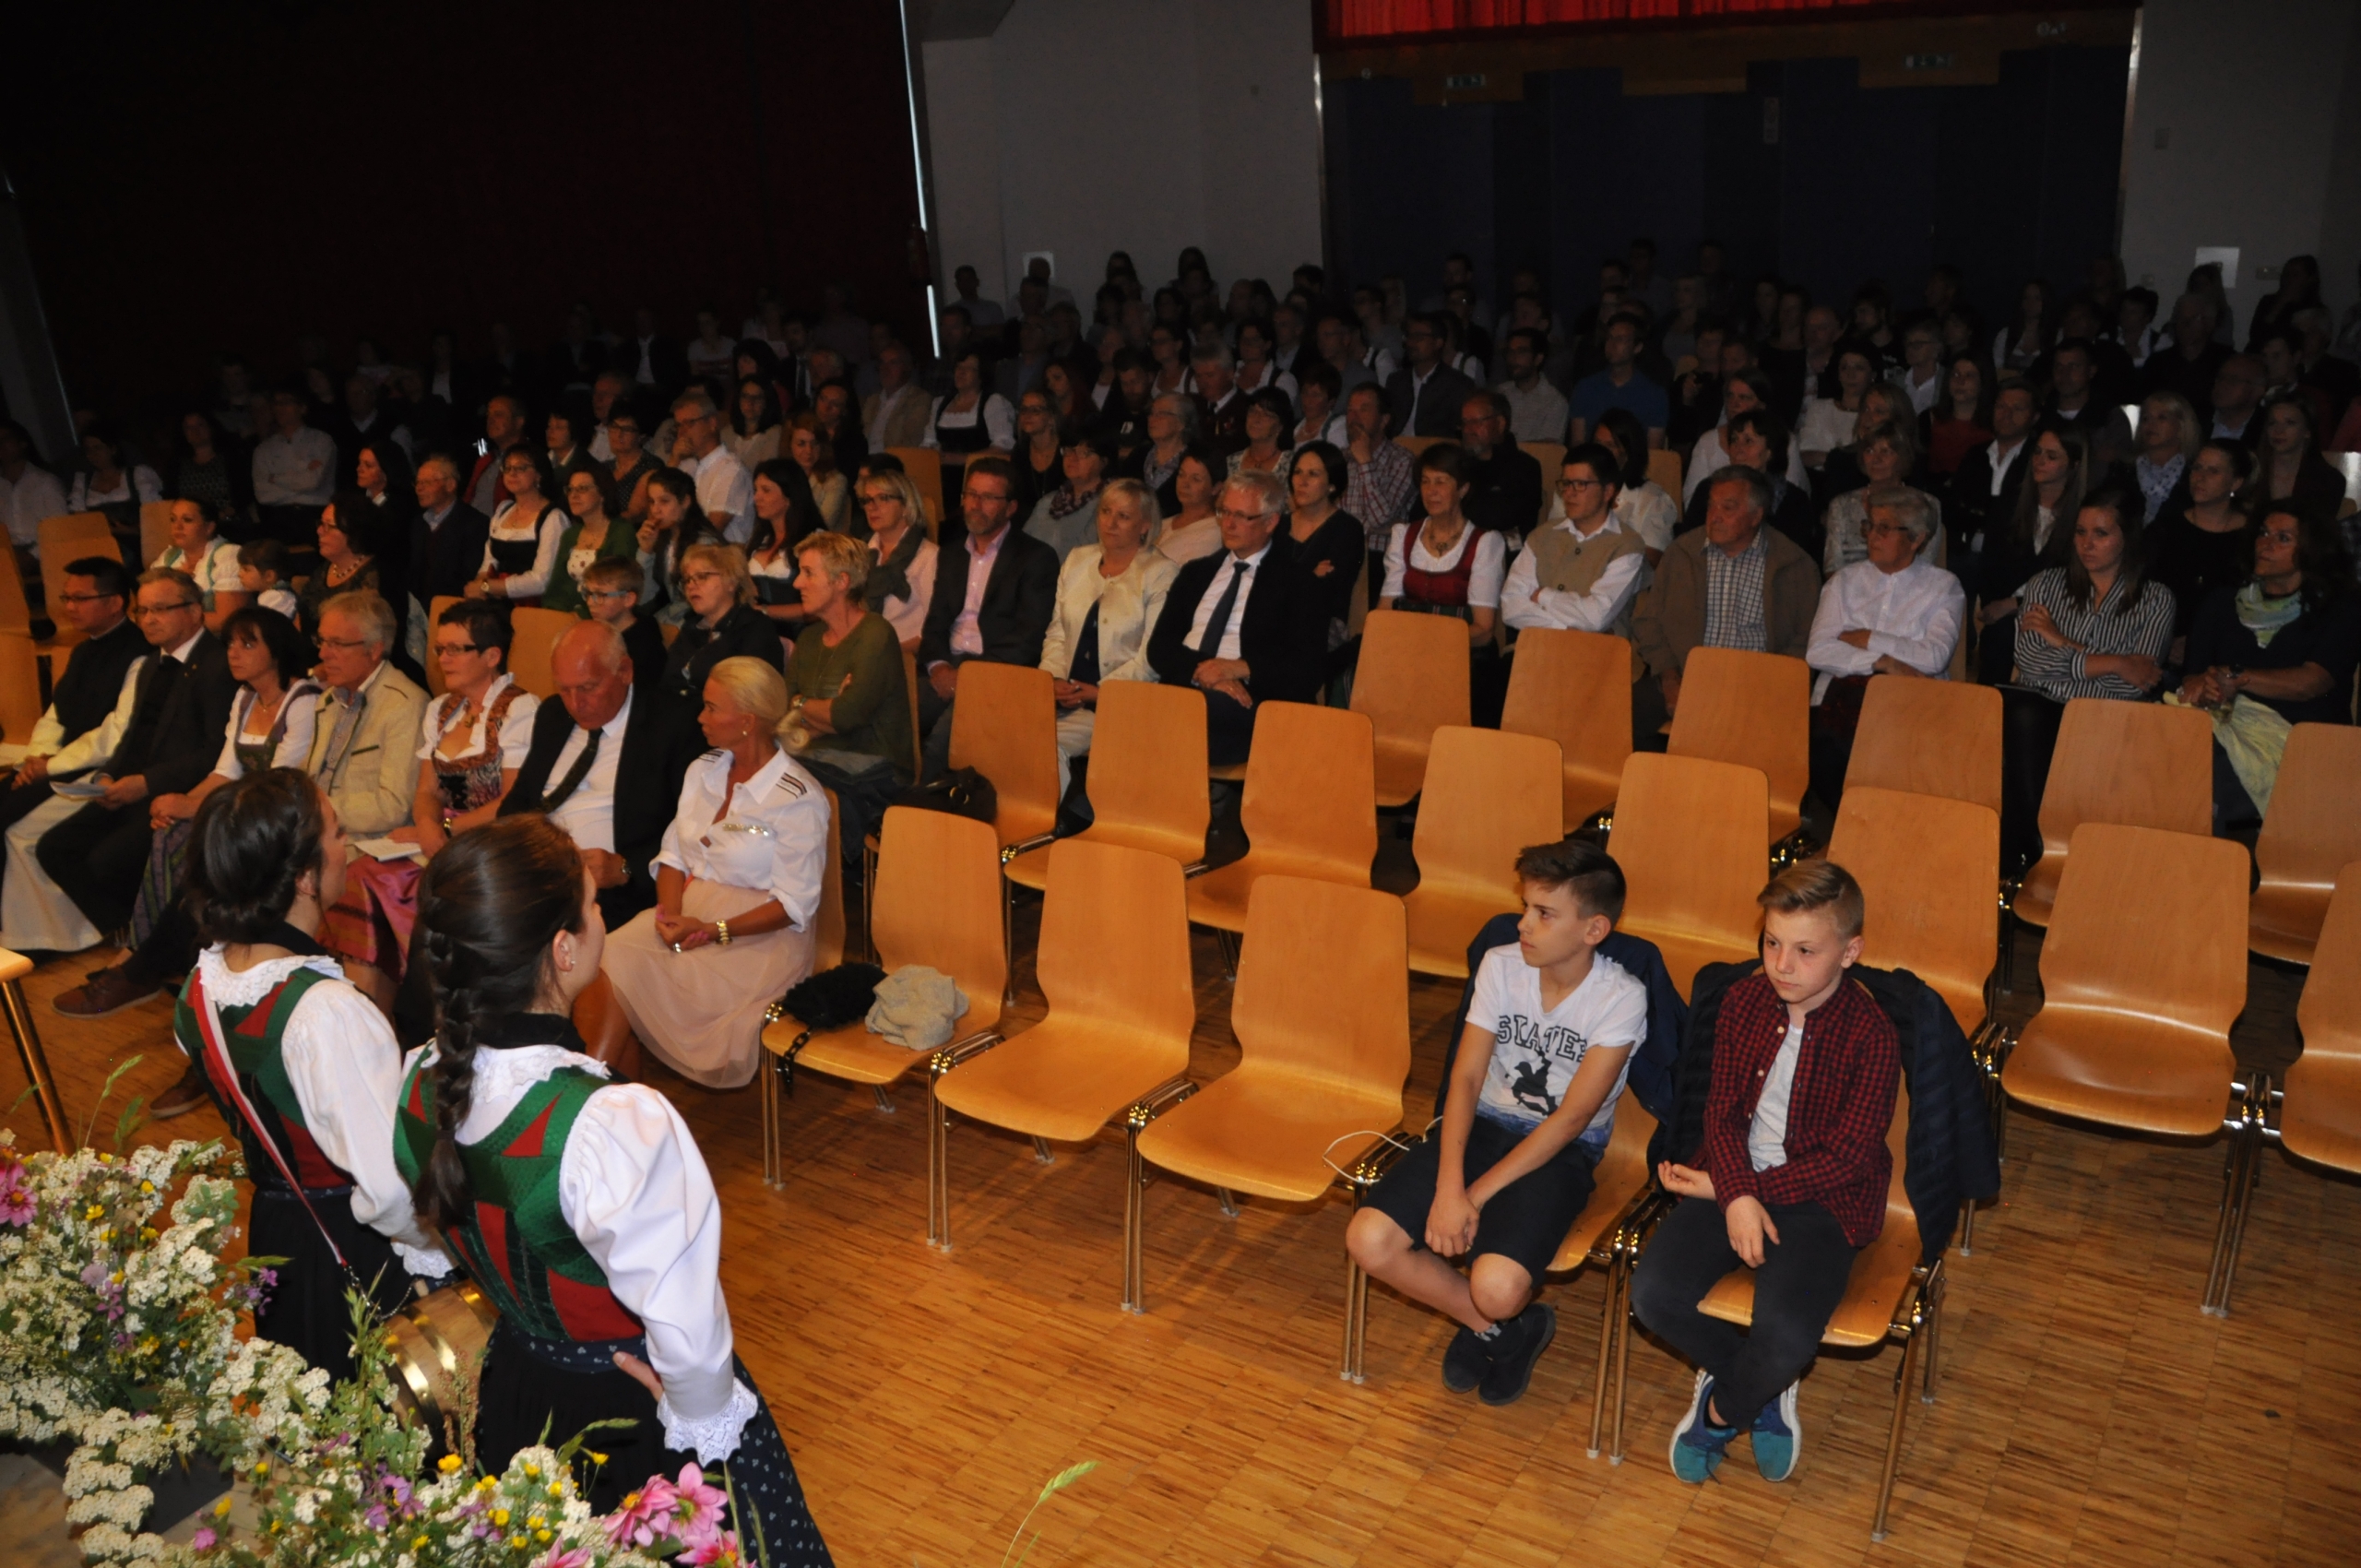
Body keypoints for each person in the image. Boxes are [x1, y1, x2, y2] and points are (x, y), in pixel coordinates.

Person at [394, 815, 835, 1559]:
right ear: (563, 949)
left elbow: (424, 1227)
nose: (604, 919)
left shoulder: (417, 1079)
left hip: (519, 1392)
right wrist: (695, 1419)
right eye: (594, 905)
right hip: (631, 1408)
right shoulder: (609, 1122)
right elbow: (685, 1324)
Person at [1346, 838, 1644, 1405]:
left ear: (1594, 930)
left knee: (1498, 1289)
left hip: (1560, 1150)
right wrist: (1448, 1187)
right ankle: (1502, 1333)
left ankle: (1495, 1317)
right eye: (1525, 907)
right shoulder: (1502, 964)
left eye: (1544, 913)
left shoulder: (1621, 997)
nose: (1524, 923)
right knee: (1369, 1239)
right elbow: (1463, 1079)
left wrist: (1471, 1199)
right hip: (1482, 1124)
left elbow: (1572, 1119)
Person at [173, 769, 447, 1378]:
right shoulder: (327, 1012)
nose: (347, 848)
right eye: (338, 833)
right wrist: (442, 1252)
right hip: (351, 1242)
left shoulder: (199, 987)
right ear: (302, 877)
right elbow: (391, 1189)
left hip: (276, 1233)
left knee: (308, 1396)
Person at [1635, 860, 1899, 1486]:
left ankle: (1725, 1408)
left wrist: (1740, 1193)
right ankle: (1763, 1387)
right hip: (1733, 1179)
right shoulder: (1743, 1000)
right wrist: (1735, 1194)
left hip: (1822, 1200)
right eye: (1772, 942)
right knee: (1654, 1296)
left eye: (1805, 951)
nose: (1781, 964)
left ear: (1850, 952)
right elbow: (1721, 1115)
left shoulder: (1873, 1036)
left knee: (1786, 1335)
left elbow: (1847, 1159)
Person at [604, 657, 827, 1090]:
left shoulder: (797, 798)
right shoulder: (703, 768)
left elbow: (793, 905)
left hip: (758, 939)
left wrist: (713, 930)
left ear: (747, 721)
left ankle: (599, 1098)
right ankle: (611, 1096)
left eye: (711, 708)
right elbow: (674, 856)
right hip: (690, 913)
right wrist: (670, 915)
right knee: (607, 955)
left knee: (621, 966)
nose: (700, 718)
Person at [6, 570, 234, 956]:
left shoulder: (216, 664)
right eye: (142, 610)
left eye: (160, 609)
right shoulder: (149, 664)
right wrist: (110, 774)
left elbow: (214, 751)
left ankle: (147, 949)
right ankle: (133, 938)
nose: (149, 619)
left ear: (195, 611)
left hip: (178, 790)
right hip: (130, 783)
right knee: (54, 849)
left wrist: (145, 782)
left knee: (105, 861)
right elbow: (129, 733)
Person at [324, 599, 537, 1003]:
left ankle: (419, 1002)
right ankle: (373, 1012)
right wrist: (425, 824)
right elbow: (426, 792)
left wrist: (445, 830)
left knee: (383, 881)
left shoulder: (520, 709)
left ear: (492, 656)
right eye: (440, 648)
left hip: (493, 839)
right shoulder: (442, 709)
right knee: (361, 873)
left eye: (456, 649)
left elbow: (512, 802)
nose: (443, 659)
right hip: (440, 834)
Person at [2003, 490, 2176, 869]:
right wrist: (2114, 661)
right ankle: (2033, 848)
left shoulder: (2155, 598)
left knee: (2037, 720)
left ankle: (2041, 855)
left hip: (2110, 715)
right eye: (2080, 532)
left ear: (2127, 537)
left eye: (2101, 533)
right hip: (2042, 705)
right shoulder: (2045, 584)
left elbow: (2136, 682)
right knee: (2023, 713)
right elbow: (2030, 661)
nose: (2086, 544)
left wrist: (2060, 640)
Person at [2179, 506, 2359, 830]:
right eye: (2263, 533)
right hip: (2222, 730)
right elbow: (2193, 674)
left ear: (2312, 550)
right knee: (2162, 754)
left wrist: (2237, 677)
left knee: (2201, 780)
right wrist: (2203, 686)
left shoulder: (2339, 609)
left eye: (2283, 538)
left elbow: (2311, 683)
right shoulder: (2221, 603)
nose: (2266, 543)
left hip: (2300, 744)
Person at [1145, 470, 1329, 766]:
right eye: (1225, 512)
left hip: (1250, 698)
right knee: (1131, 707)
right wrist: (1206, 674)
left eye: (1242, 516)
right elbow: (1160, 647)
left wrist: (1241, 668)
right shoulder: (1196, 573)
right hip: (1187, 687)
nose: (1228, 524)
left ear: (1270, 522)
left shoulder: (1298, 584)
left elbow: (1307, 670)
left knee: (1175, 724)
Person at [1634, 468, 1821, 746]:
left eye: (1728, 508)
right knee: (1615, 721)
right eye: (1711, 505)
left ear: (1756, 516)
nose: (1715, 516)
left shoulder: (1793, 565)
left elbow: (1806, 641)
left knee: (1775, 741)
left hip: (1758, 686)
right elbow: (1650, 623)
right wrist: (1670, 679)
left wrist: (1761, 687)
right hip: (1684, 676)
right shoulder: (1682, 553)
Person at [1805, 489, 1966, 810]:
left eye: (1885, 528)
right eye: (1870, 526)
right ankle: (1853, 820)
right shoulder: (1844, 582)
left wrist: (1869, 638)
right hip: (1840, 698)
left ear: (1916, 539)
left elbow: (1934, 657)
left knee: (1891, 749)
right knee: (1829, 749)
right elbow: (1818, 651)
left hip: (1911, 701)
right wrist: (1883, 662)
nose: (1872, 537)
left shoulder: (1943, 586)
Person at [0, 557, 147, 906]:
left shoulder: (140, 653)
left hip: (100, 767)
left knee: (14, 825)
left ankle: (34, 926)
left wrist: (49, 766)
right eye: (66, 598)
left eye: (80, 599)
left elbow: (114, 733)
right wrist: (36, 758)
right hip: (57, 761)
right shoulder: (83, 648)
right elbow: (57, 714)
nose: (69, 607)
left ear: (115, 602)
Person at [916, 456, 1059, 775]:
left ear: (1010, 507)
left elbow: (1029, 637)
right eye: (970, 494)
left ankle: (921, 802)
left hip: (996, 673)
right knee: (891, 717)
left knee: (942, 743)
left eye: (988, 497)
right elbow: (936, 622)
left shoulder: (1036, 557)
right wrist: (939, 667)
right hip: (946, 667)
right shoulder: (952, 553)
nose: (975, 505)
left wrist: (969, 676)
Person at [1039, 481, 1178, 798]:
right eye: (1105, 512)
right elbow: (1058, 632)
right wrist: (1052, 679)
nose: (1110, 523)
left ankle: (1046, 820)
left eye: (1123, 516)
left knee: (1045, 747)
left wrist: (1101, 692)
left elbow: (1152, 657)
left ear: (1145, 526)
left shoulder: (1161, 572)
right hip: (1063, 695)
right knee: (1005, 734)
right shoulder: (1077, 560)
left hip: (1120, 702)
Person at [785, 530, 915, 860]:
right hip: (820, 758)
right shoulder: (809, 639)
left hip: (877, 767)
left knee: (788, 781)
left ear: (842, 581)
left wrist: (803, 704)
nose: (797, 583)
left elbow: (846, 716)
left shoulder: (875, 634)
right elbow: (785, 716)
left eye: (808, 573)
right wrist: (820, 712)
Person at [1973, 421, 2088, 684]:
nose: (2040, 461)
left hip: (2060, 615)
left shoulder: (2083, 517)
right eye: (2037, 452)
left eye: (2052, 456)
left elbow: (2075, 582)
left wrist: (2017, 604)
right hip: (2005, 613)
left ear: (2074, 464)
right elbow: (1990, 567)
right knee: (2000, 635)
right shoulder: (2008, 505)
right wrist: (2002, 605)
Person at [1502, 444, 1651, 639]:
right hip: (1536, 649)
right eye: (1566, 483)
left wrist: (1543, 595)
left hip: (1598, 655)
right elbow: (1511, 606)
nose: (1569, 493)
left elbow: (1596, 617)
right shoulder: (1542, 536)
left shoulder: (1627, 545)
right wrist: (1565, 630)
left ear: (1608, 491)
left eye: (1580, 484)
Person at [657, 542, 786, 760]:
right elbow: (668, 683)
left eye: (702, 577)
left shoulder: (754, 628)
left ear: (731, 582)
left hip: (728, 737)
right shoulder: (691, 629)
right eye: (687, 579)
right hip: (680, 731)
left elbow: (750, 699)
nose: (692, 586)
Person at [1382, 444, 1508, 656]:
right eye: (1425, 481)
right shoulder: (1404, 536)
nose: (1431, 491)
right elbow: (1385, 611)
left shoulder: (1484, 543)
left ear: (1462, 489)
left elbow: (1483, 630)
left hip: (1462, 653)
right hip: (1407, 648)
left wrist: (1431, 643)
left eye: (1440, 482)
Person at [2147, 440, 2255, 655]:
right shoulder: (2165, 529)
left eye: (2213, 471)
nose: (2200, 477)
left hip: (2224, 648)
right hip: (2159, 642)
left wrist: (2200, 639)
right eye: (2197, 467)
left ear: (2235, 483)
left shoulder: (2251, 538)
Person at [1678, 409, 1819, 564]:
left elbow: (1796, 557)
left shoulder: (1794, 500)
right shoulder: (1708, 489)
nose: (1738, 449)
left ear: (1769, 452)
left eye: (1748, 441)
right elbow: (1688, 543)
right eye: (1734, 440)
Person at [1821, 422, 1942, 576]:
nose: (1876, 459)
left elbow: (1925, 565)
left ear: (1902, 458)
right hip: (1850, 587)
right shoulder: (1841, 505)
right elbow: (1832, 566)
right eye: (1869, 451)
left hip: (1906, 587)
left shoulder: (1926, 504)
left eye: (1886, 452)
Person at [1281, 442, 1368, 659]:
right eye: (1298, 472)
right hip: (1275, 617)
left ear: (1332, 485)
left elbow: (1327, 591)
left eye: (1313, 474)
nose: (1302, 481)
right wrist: (1309, 574)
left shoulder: (1347, 529)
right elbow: (1261, 578)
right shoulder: (1279, 525)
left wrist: (1288, 580)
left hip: (1322, 625)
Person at [1683, 370, 1811, 503]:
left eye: (1743, 397)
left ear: (1762, 405)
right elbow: (1691, 499)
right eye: (1730, 396)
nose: (1734, 403)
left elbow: (1794, 494)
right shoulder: (1708, 441)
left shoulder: (1784, 439)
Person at [466, 445, 565, 606]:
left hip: (533, 606)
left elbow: (541, 580)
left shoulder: (553, 517)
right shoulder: (503, 510)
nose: (512, 473)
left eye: (521, 468)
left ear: (538, 474)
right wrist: (479, 585)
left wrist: (487, 587)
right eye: (508, 468)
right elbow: (489, 562)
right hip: (497, 601)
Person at [853, 466, 936, 647]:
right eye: (867, 500)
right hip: (865, 649)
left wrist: (888, 654)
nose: (872, 507)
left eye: (883, 498)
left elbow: (935, 630)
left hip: (907, 655)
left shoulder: (929, 557)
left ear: (906, 506)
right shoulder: (860, 552)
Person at [541, 465, 637, 616]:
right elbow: (557, 586)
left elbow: (616, 588)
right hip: (568, 615)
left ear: (602, 494)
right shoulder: (570, 535)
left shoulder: (621, 532)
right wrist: (553, 612)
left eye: (582, 489)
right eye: (570, 489)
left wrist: (580, 614)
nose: (574, 495)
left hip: (607, 616)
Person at [252, 386, 338, 548]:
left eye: (286, 402)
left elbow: (313, 482)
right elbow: (263, 494)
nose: (280, 408)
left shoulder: (321, 441)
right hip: (278, 519)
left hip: (315, 515)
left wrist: (275, 478)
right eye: (276, 403)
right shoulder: (264, 449)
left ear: (302, 408)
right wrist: (303, 477)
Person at [669, 388, 757, 543]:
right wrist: (674, 459)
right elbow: (658, 508)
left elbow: (710, 532)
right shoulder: (685, 466)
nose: (681, 432)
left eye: (689, 423)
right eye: (678, 426)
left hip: (717, 555)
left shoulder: (731, 471)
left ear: (712, 423)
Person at [1569, 314, 1668, 448]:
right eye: (1609, 338)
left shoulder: (1654, 395)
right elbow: (1577, 444)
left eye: (1620, 339)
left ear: (1637, 347)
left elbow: (1654, 451)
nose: (1612, 344)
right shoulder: (1586, 388)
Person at [746, 457, 824, 626]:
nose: (757, 497)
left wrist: (764, 611)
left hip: (800, 634)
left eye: (766, 490)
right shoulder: (760, 540)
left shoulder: (814, 540)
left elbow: (820, 607)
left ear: (789, 496)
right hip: (759, 632)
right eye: (756, 490)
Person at [150, 495, 247, 632]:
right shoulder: (168, 557)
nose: (177, 526)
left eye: (187, 520)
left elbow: (226, 620)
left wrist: (173, 620)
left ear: (209, 527)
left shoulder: (228, 555)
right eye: (173, 519)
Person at [1593, 408, 1675, 564]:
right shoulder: (1574, 488)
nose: (1601, 452)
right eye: (1597, 444)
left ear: (1628, 452)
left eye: (1610, 446)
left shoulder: (1653, 500)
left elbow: (1653, 560)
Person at [1342, 384, 1416, 554]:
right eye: (1350, 410)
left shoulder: (1403, 461)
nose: (1354, 417)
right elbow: (1327, 516)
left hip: (1380, 556)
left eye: (1364, 410)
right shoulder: (1341, 458)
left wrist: (1365, 463)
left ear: (1384, 420)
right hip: (1340, 553)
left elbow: (1380, 519)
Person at [296, 493, 382, 637]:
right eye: (320, 523)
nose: (319, 531)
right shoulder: (325, 568)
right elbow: (301, 619)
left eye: (328, 526)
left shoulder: (373, 577)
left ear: (353, 532)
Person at [409, 453, 491, 603]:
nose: (419, 488)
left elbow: (468, 578)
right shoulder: (419, 523)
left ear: (450, 485)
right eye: (417, 482)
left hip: (455, 607)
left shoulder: (475, 524)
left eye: (427, 483)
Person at [578, 555, 668, 690]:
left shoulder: (645, 647)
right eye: (588, 593)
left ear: (628, 599)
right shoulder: (593, 633)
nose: (590, 602)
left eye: (600, 595)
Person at [1026, 431, 1115, 564]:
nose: (1072, 457)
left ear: (1104, 462)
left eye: (1083, 453)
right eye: (1068, 451)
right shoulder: (1047, 502)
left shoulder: (1110, 504)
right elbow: (1024, 545)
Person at [1387, 313, 1479, 438]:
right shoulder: (1396, 381)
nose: (1411, 343)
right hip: (1397, 446)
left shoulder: (1458, 385)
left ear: (1438, 343)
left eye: (1419, 337)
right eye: (1409, 336)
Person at [166, 411, 253, 540]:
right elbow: (171, 497)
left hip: (231, 525)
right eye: (189, 427)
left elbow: (245, 493)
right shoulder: (176, 466)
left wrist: (225, 514)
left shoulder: (232, 459)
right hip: (192, 530)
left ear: (211, 427)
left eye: (200, 425)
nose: (195, 431)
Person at [2250, 393, 2345, 511]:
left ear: (2307, 431)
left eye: (2290, 423)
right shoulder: (2248, 469)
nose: (2278, 430)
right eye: (2272, 423)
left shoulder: (2328, 480)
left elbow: (2319, 521)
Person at [65, 419, 163, 531]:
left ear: (112, 449)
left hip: (138, 539)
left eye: (98, 448)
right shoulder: (83, 481)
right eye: (88, 450)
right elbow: (78, 520)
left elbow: (156, 516)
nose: (92, 454)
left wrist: (130, 530)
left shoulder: (138, 475)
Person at [923, 348, 1016, 462]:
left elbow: (1004, 447)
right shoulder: (939, 404)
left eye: (969, 368)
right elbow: (928, 442)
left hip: (980, 469)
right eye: (959, 367)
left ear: (981, 375)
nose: (961, 372)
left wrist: (962, 459)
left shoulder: (993, 403)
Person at [1797, 341, 1876, 468]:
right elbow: (1805, 455)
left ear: (1872, 375)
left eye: (1859, 368)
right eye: (1844, 367)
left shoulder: (1877, 414)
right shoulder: (1819, 408)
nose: (1850, 374)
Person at [2130, 391, 2201, 524]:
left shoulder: (2196, 474)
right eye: (2145, 418)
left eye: (2162, 418)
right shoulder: (2125, 471)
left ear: (2182, 425)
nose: (2151, 424)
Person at [0, 419, 66, 554]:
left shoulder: (45, 482)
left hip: (43, 553)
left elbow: (60, 528)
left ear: (22, 443)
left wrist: (32, 555)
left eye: (6, 439)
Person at [1923, 354, 1994, 478]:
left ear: (1983, 382)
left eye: (1969, 376)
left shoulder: (1996, 423)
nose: (1960, 381)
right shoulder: (1928, 419)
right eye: (1955, 375)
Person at [1155, 448, 1225, 565]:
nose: (1185, 484)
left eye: (1196, 479)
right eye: (1181, 475)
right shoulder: (1162, 524)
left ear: (1216, 488)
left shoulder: (1215, 531)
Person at [1228, 389, 1296, 486]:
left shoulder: (1293, 464)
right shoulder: (1231, 462)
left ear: (1280, 426)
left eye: (1266, 415)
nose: (1256, 419)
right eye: (1252, 411)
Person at [723, 374, 783, 471]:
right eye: (745, 396)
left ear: (766, 401)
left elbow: (764, 470)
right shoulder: (726, 433)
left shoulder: (775, 433)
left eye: (757, 398)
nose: (750, 403)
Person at [1291, 359, 1349, 450]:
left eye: (1316, 395)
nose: (1308, 400)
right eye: (1305, 392)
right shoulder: (1294, 429)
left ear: (1331, 402)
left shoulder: (1338, 426)